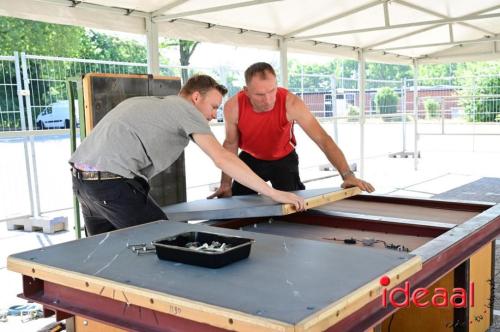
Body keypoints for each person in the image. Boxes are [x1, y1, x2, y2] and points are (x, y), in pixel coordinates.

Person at [70, 74, 305, 236]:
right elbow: (222, 157)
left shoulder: (145, 104)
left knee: (107, 252)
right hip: (113, 185)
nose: (213, 115)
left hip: (82, 183)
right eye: (213, 107)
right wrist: (273, 192)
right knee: (165, 243)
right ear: (195, 98)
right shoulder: (184, 109)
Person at [209, 62, 374, 199]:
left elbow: (323, 139)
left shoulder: (291, 103)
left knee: (295, 205)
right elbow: (230, 144)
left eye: (272, 91)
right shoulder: (233, 106)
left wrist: (348, 176)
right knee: (238, 202)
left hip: (283, 158)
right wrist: (225, 183)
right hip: (250, 159)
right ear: (246, 91)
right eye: (259, 94)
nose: (267, 100)